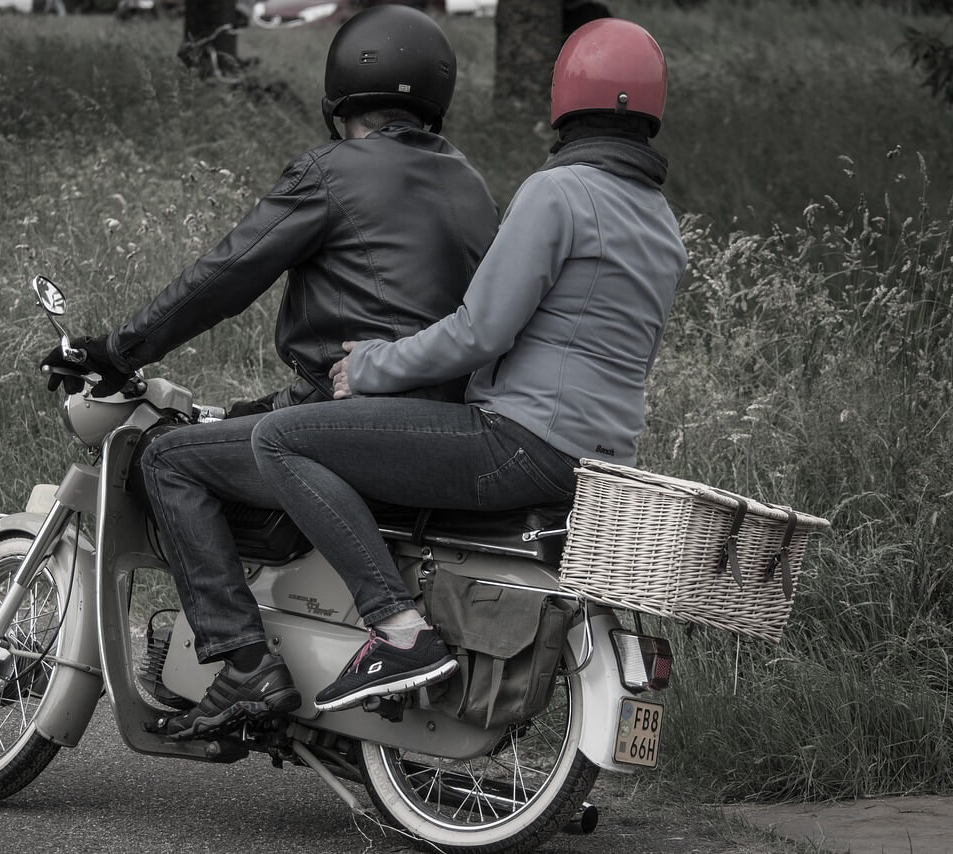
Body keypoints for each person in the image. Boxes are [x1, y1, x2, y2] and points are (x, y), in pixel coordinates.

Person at [39, 5, 499, 739]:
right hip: (442, 421)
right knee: (237, 422)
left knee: (169, 461)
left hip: (351, 413)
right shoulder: (470, 182)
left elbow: (225, 275)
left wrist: (118, 349)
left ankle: (245, 661)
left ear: (340, 89)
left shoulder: (333, 171)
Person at [250, 18, 688, 712]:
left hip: (519, 442)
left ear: (564, 100)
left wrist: (373, 367)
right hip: (602, 462)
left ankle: (396, 632)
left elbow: (480, 329)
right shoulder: (660, 219)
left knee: (279, 438)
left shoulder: (559, 192)